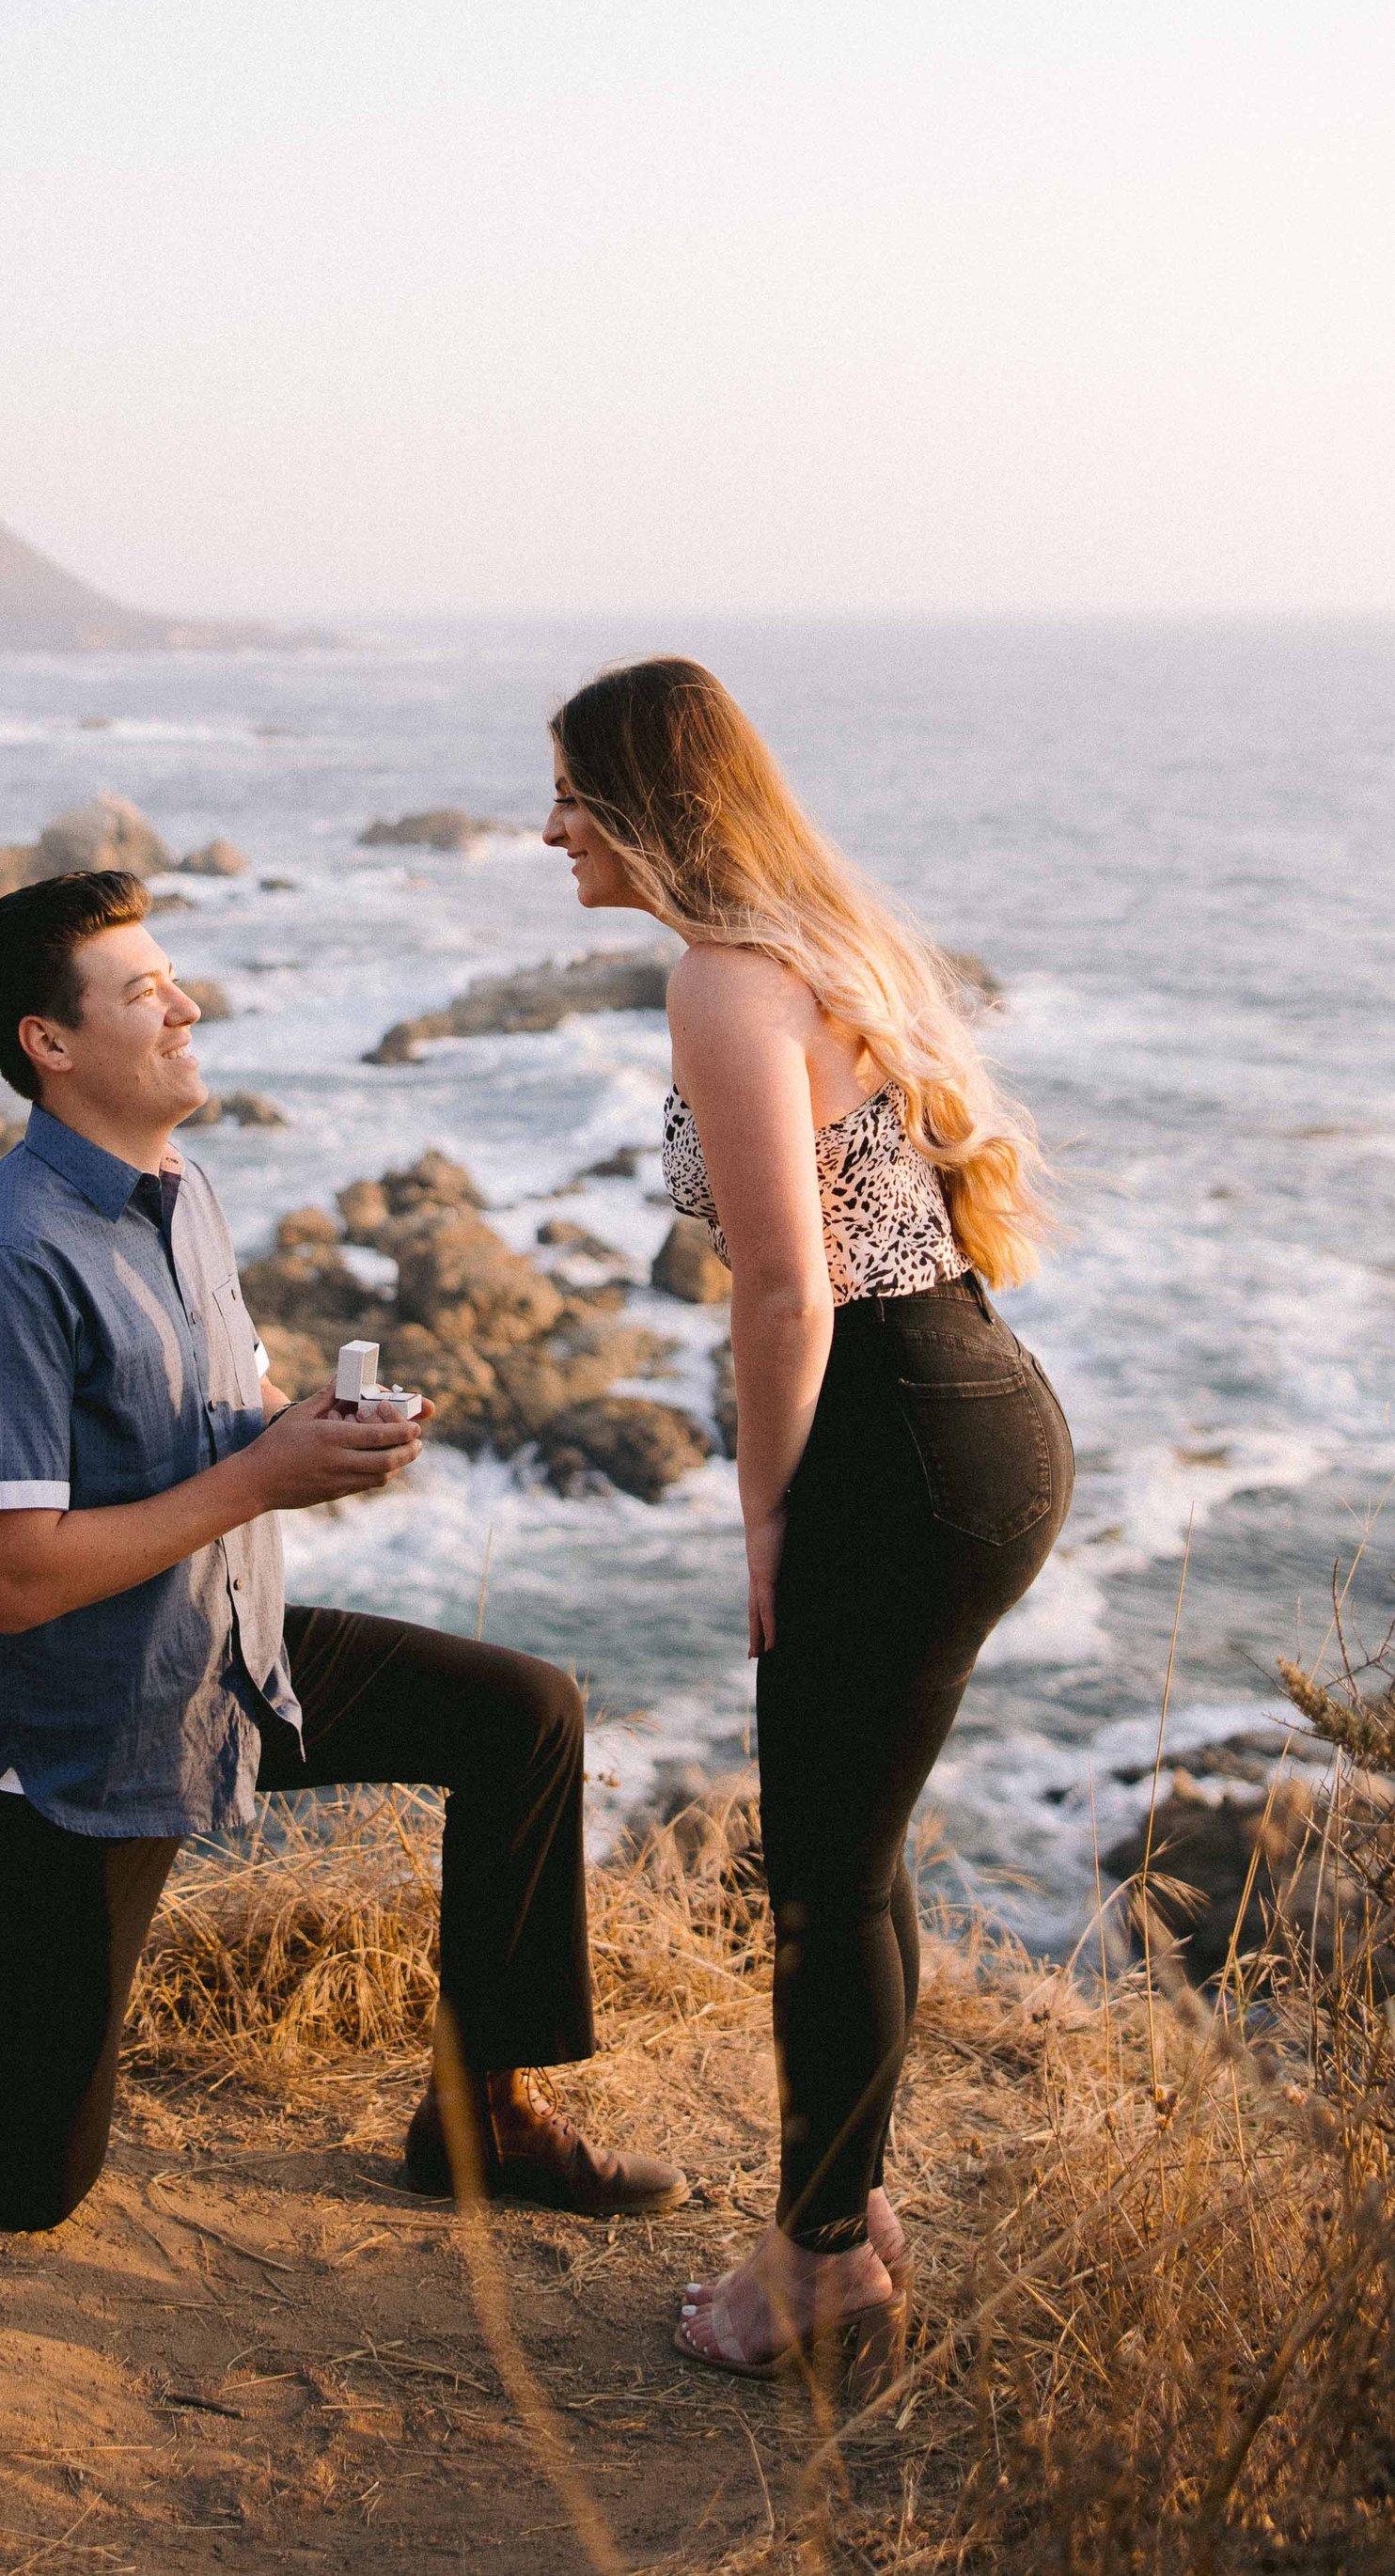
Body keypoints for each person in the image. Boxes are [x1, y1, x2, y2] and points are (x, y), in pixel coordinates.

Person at [0, 866, 681, 2235]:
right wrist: (259, 1473)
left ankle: (481, 2118)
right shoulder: (1, 1259)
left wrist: (308, 1440)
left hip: (221, 1662)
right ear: (48, 1045)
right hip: (66, 1750)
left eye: (172, 978)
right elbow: (18, 1578)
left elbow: (199, 1432)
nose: (187, 1004)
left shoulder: (182, 1190)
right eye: (143, 993)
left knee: (520, 1714)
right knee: (27, 2174)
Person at [544, 659, 1071, 2378]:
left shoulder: (720, 977)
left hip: (901, 1440)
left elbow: (787, 1291)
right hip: (981, 1407)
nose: (546, 827)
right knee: (854, 1852)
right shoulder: (818, 945)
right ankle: (848, 2214)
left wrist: (766, 1510)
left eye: (570, 794)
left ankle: (820, 2261)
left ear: (642, 804)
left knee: (822, 1874)